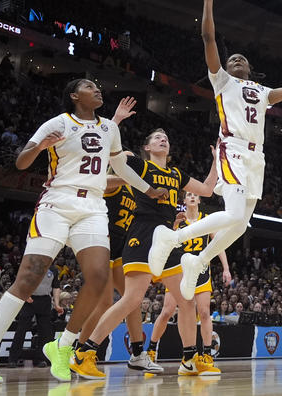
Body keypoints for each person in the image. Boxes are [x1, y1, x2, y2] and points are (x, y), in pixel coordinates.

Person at [0, 79, 164, 386]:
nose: (98, 89)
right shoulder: (58, 123)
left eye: (99, 86)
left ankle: (63, 346)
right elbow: (21, 162)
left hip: (94, 207)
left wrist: (147, 189)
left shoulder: (110, 129)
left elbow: (120, 167)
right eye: (89, 86)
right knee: (28, 278)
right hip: (57, 203)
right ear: (74, 96)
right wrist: (40, 147)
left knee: (99, 281)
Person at [147, 0, 282, 301]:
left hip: (258, 156)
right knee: (233, 213)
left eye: (242, 59)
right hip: (234, 147)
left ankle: (198, 260)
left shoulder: (262, 91)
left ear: (251, 68)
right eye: (232, 59)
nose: (236, 60)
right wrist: (209, 2)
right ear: (224, 69)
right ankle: (172, 239)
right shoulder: (222, 82)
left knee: (240, 224)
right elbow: (208, 37)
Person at [70, 128, 217, 379]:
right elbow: (109, 161)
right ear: (147, 147)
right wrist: (116, 142)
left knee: (186, 300)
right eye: (157, 138)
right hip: (144, 233)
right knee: (132, 299)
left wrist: (216, 161)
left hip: (168, 238)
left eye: (167, 138)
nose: (164, 140)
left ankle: (189, 359)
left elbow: (207, 189)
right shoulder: (139, 165)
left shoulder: (175, 173)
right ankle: (85, 352)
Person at [76, 97, 162, 374]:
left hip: (123, 250)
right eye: (125, 160)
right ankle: (79, 351)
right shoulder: (113, 183)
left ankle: (138, 353)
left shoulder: (136, 193)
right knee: (103, 304)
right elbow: (100, 180)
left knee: (132, 302)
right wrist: (126, 173)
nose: (130, 163)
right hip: (101, 245)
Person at [146, 192, 230, 375]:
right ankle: (150, 352)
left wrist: (226, 268)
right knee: (167, 311)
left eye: (195, 195)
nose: (192, 197)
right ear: (184, 201)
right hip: (179, 272)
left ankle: (206, 356)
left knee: (205, 312)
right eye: (189, 195)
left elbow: (218, 245)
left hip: (200, 272)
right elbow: (168, 242)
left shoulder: (207, 220)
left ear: (199, 200)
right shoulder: (179, 220)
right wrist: (175, 225)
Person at [7, 264, 62, 368]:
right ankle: (13, 359)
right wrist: (25, 295)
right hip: (29, 299)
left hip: (45, 300)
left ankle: (40, 359)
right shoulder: (31, 264)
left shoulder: (53, 269)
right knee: (21, 330)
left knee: (44, 331)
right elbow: (20, 281)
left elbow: (56, 287)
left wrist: (57, 304)